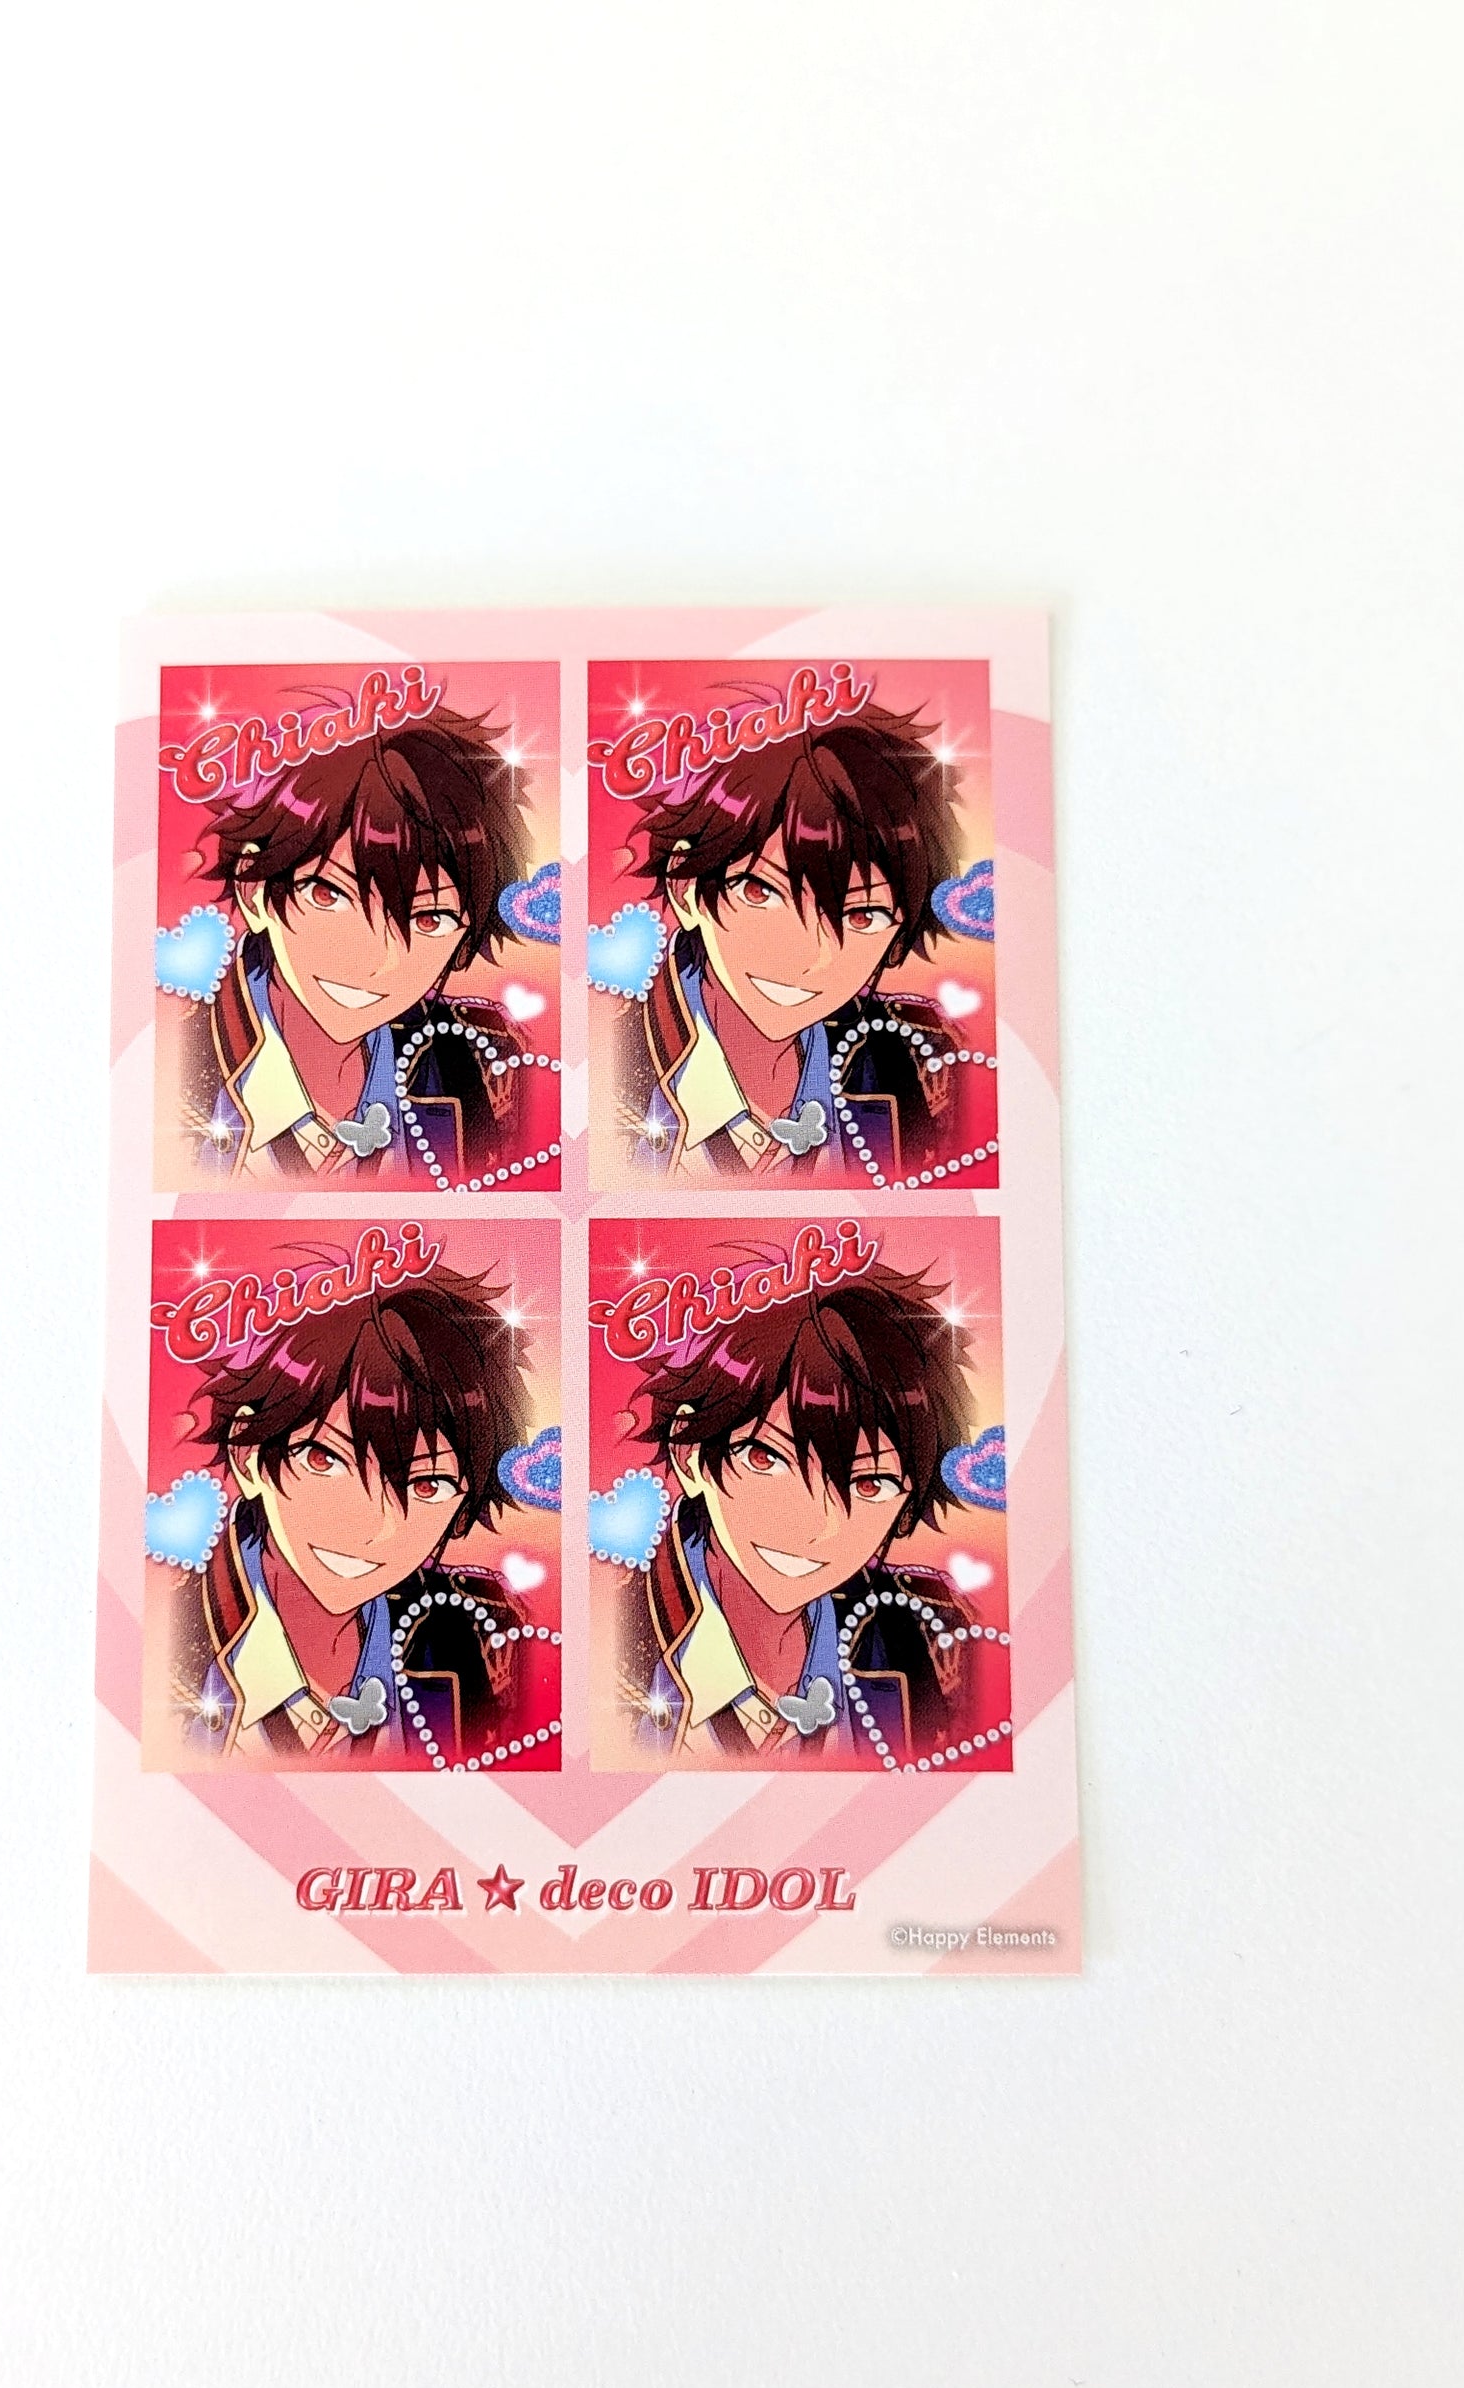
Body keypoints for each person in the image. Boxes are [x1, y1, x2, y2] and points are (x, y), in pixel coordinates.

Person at [180, 1260, 547, 1769]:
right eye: (323, 1459)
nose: (372, 1527)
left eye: (427, 1485)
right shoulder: (172, 1639)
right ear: (248, 1456)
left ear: (463, 1507)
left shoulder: (481, 1630)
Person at [622, 1264, 983, 1767]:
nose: (816, 1526)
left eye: (869, 1484)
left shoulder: (931, 1630)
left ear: (905, 1505)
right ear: (690, 1455)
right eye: (765, 1458)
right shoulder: (609, 1631)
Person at [618, 699, 971, 1180]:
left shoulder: (921, 1059)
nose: (809, 956)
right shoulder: (607, 1059)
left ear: (897, 934)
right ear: (687, 889)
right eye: (760, 892)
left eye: (862, 915)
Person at [191, 707, 537, 1183]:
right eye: (328, 895)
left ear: (464, 937)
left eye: (429, 919)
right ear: (255, 892)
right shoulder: (179, 1066)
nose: (375, 960)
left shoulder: (483, 1057)